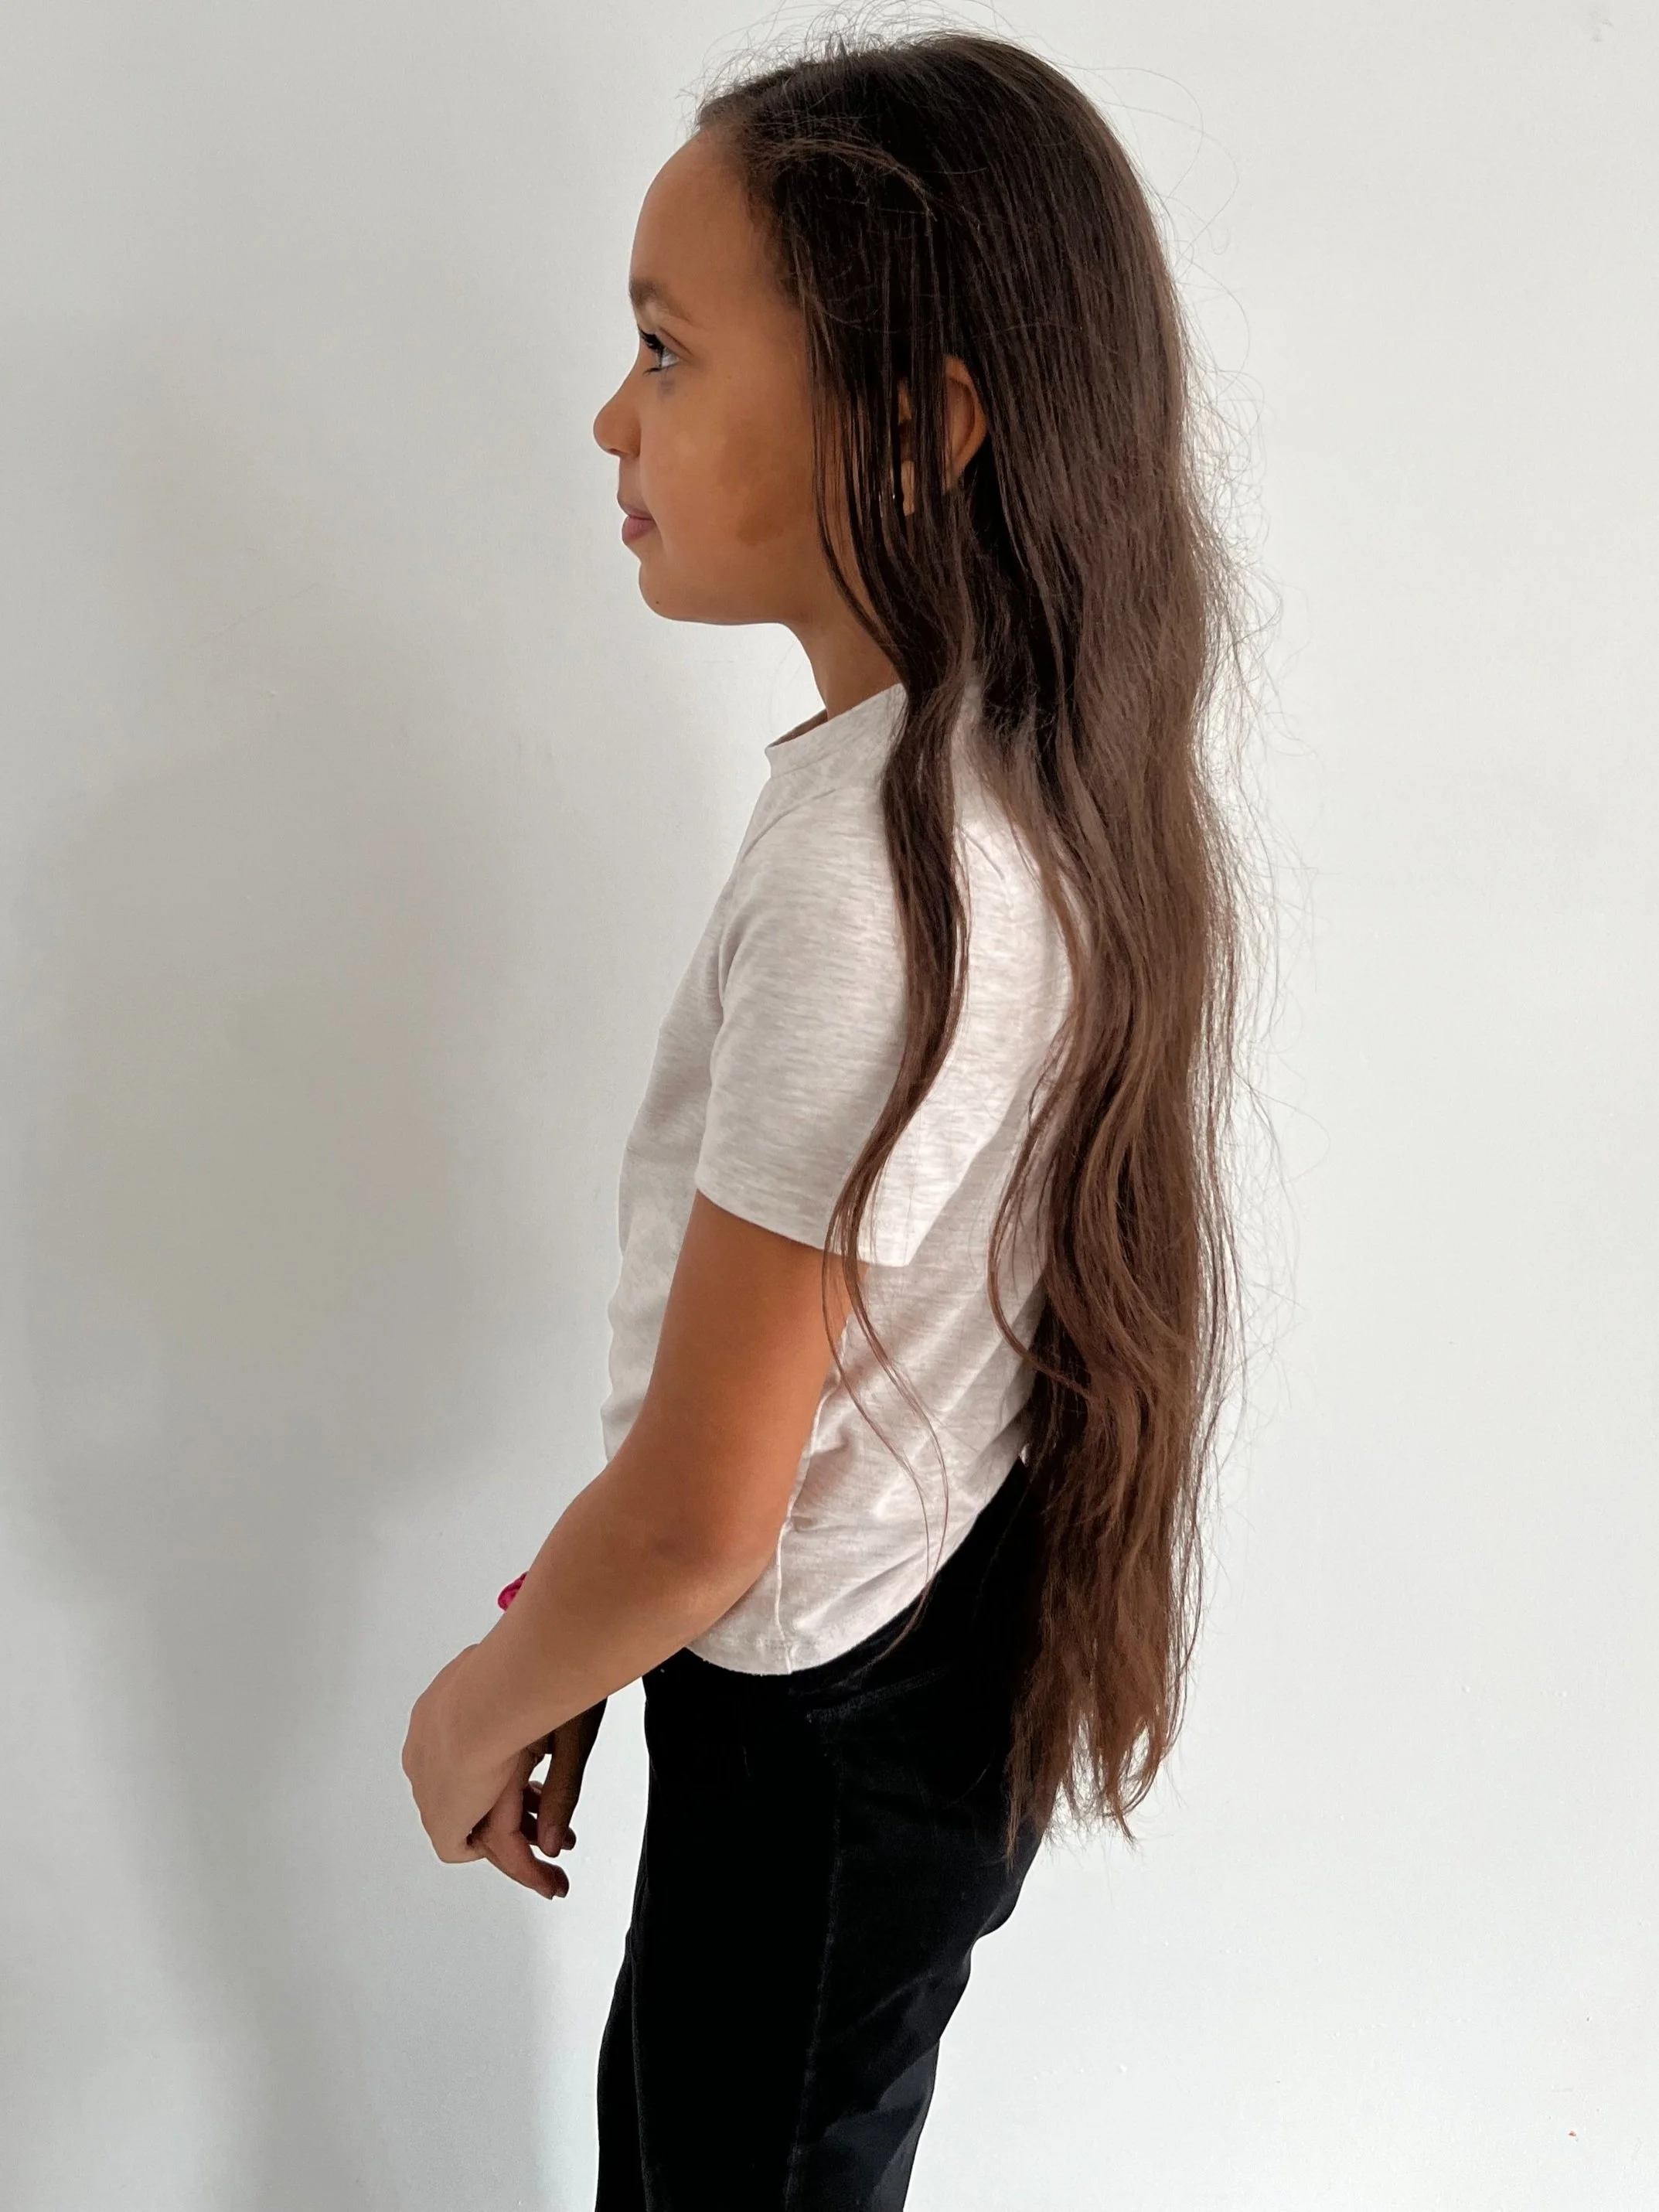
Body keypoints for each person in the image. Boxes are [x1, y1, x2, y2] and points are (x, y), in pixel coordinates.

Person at [403, 26, 1265, 2210]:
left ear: (926, 418)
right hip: (915, 1654)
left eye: (670, 351)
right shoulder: (1025, 789)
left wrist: (485, 1693)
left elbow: (710, 1511)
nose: (614, 416)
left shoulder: (861, 877)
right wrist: (599, 1619)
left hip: (823, 1736)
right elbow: (811, 1437)